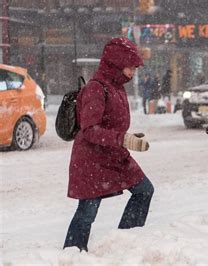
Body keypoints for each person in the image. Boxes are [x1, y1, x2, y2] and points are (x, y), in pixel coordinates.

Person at [64, 37, 154, 252]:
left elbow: (110, 123)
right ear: (116, 63)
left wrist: (126, 136)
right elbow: (89, 130)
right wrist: (122, 139)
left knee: (144, 190)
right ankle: (72, 253)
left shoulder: (118, 86)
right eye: (130, 66)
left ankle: (125, 239)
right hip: (92, 160)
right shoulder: (96, 88)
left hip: (115, 155)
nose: (133, 72)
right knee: (87, 212)